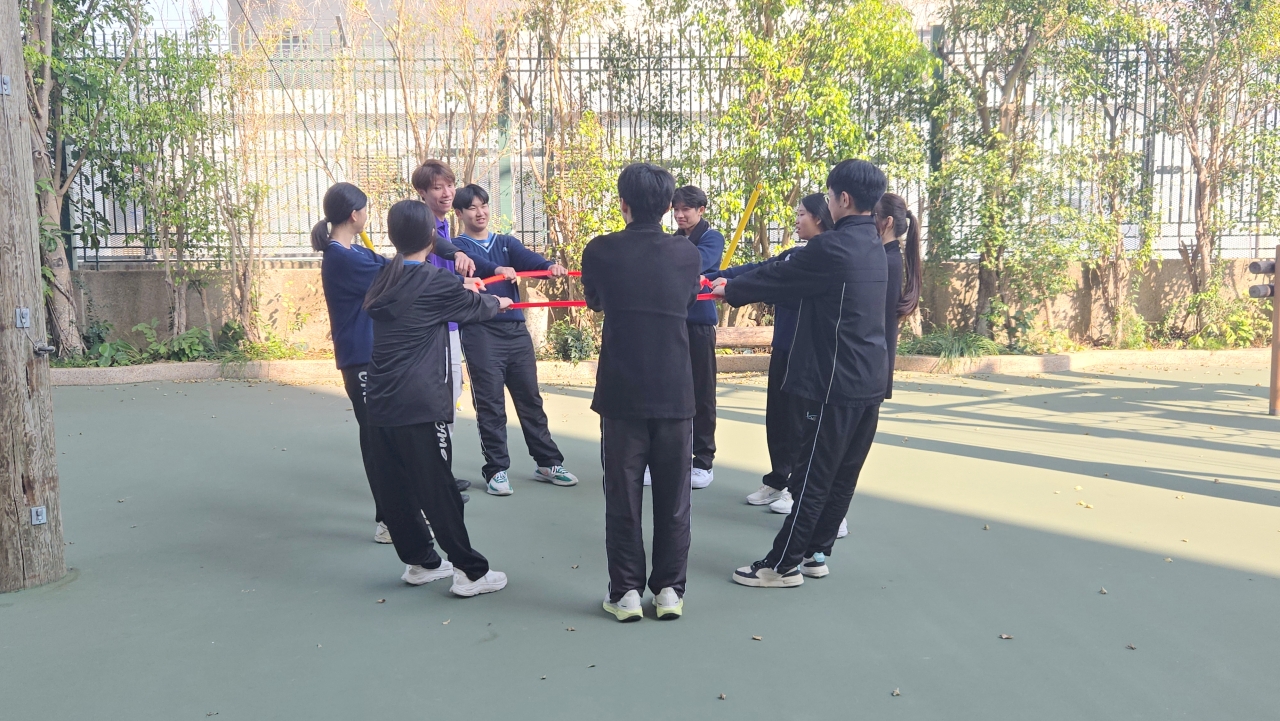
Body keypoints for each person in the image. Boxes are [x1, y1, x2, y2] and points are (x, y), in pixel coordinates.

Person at [710, 159, 888, 587]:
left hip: (833, 382)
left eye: (827, 197)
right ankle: (816, 554)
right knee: (842, 475)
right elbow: (785, 273)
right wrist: (735, 284)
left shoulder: (833, 248)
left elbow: (781, 276)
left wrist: (731, 289)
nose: (826, 204)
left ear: (843, 198)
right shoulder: (875, 243)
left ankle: (781, 565)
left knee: (811, 477)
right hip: (869, 379)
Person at [363, 199, 510, 597]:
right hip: (420, 403)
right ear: (431, 235)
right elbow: (476, 307)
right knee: (439, 489)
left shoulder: (384, 276)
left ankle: (422, 562)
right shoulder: (434, 281)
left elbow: (441, 296)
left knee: (395, 487)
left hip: (380, 400)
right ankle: (470, 572)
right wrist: (499, 301)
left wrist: (464, 287)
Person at [581, 163, 702, 621]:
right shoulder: (686, 253)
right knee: (674, 498)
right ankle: (669, 590)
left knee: (623, 495)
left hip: (622, 390)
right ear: (669, 207)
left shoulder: (600, 250)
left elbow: (595, 300)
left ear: (624, 204)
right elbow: (688, 300)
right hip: (675, 388)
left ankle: (626, 592)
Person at [706, 194, 833, 516]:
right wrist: (721, 276)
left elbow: (775, 282)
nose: (796, 220)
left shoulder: (824, 260)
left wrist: (735, 289)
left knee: (803, 423)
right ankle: (779, 479)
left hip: (810, 355)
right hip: (784, 348)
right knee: (778, 419)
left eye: (801, 214)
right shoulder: (796, 254)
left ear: (819, 218)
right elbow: (763, 268)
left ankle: (798, 487)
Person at [449, 183, 579, 496]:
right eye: (472, 208)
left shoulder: (506, 243)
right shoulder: (456, 248)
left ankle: (547, 463)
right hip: (480, 332)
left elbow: (529, 259)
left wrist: (549, 267)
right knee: (491, 405)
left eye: (484, 206)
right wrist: (497, 269)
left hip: (515, 332)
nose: (480, 213)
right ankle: (496, 470)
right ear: (460, 214)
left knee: (530, 399)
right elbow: (474, 268)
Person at [314, 182, 395, 544]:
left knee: (389, 435)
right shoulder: (341, 258)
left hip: (376, 355)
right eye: (365, 209)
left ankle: (401, 509)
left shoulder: (356, 251)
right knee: (377, 438)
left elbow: (392, 266)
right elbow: (399, 275)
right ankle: (387, 520)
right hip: (359, 359)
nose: (367, 215)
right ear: (354, 214)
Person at [411, 160, 497, 487]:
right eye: (438, 188)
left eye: (450, 185)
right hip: (433, 330)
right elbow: (430, 272)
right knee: (440, 400)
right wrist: (463, 285)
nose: (447, 193)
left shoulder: (444, 226)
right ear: (422, 192)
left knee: (450, 395)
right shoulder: (422, 226)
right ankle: (433, 478)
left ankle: (439, 471)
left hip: (450, 327)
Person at [671, 186, 725, 490]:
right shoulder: (673, 240)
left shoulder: (711, 237)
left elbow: (697, 263)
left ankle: (703, 460)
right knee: (673, 393)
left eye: (686, 209)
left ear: (701, 210)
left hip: (699, 326)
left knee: (703, 393)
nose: (680, 215)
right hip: (672, 324)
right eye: (676, 209)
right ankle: (674, 458)